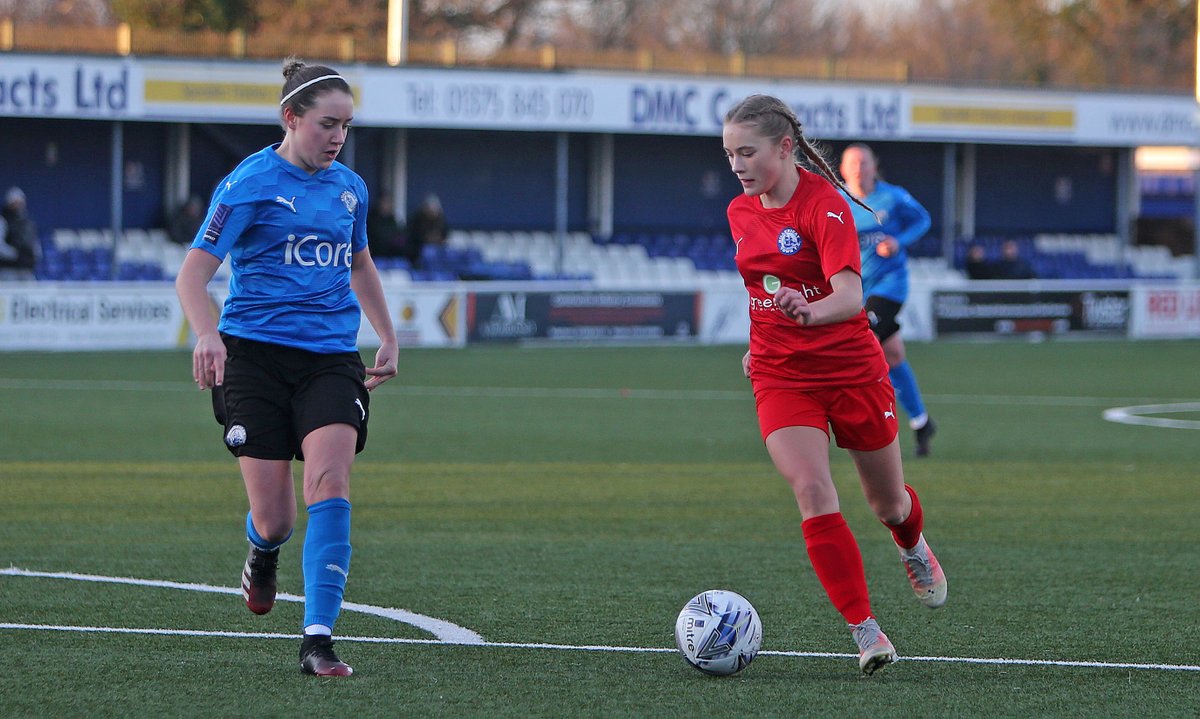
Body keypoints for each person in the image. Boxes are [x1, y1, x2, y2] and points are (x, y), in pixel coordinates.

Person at [174, 57, 398, 678]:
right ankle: (262, 549)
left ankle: (317, 640)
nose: (338, 137)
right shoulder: (248, 183)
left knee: (330, 482)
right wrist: (207, 334)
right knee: (275, 519)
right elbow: (192, 274)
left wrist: (387, 334)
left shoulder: (350, 189)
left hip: (330, 359)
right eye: (328, 124)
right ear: (291, 118)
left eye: (347, 126)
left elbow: (359, 263)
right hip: (253, 359)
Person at [722, 94, 946, 676]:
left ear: (784, 148)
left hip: (850, 368)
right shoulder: (740, 211)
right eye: (730, 155)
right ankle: (866, 631)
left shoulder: (825, 205)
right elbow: (763, 288)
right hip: (781, 375)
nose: (738, 166)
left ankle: (912, 545)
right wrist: (760, 342)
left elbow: (849, 296)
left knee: (889, 504)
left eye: (747, 152)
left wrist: (808, 312)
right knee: (813, 491)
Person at [838, 143, 937, 457]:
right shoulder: (836, 200)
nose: (859, 169)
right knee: (892, 355)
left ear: (874, 166)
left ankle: (865, 422)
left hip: (890, 285)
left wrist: (898, 241)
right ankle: (922, 422)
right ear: (842, 170)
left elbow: (922, 220)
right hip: (856, 288)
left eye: (864, 162)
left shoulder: (893, 196)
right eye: (852, 163)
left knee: (861, 342)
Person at [0, 186, 39, 279]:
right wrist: (16, 255)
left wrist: (32, 256)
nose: (19, 206)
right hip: (8, 270)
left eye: (21, 202)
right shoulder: (3, 221)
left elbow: (35, 244)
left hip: (27, 269)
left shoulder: (28, 222)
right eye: (15, 203)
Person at [405, 193, 447, 268]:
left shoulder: (441, 221)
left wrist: (438, 239)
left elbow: (444, 235)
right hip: (417, 253)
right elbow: (414, 237)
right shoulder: (417, 220)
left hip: (437, 250)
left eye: (435, 209)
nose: (433, 212)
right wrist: (427, 239)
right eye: (431, 209)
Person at [366, 194, 406, 259]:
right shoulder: (372, 221)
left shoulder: (393, 220)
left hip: (393, 256)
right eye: (384, 202)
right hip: (377, 256)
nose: (386, 206)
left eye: (388, 203)